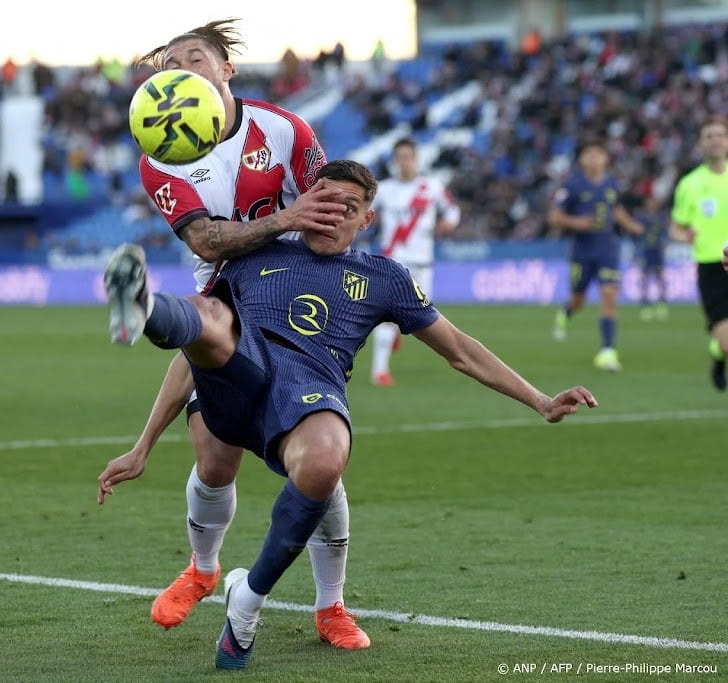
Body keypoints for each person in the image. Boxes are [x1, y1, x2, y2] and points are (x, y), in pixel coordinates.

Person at [101, 159, 598, 670]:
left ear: (366, 221)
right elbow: (197, 346)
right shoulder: (256, 254)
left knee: (325, 464)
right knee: (204, 316)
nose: (332, 214)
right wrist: (145, 445)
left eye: (349, 208)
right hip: (240, 368)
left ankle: (248, 601)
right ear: (305, 201)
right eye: (324, 201)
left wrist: (539, 399)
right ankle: (143, 307)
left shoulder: (384, 278)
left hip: (306, 392)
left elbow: (460, 350)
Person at [95, 19, 371, 650]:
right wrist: (286, 216)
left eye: (196, 56)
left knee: (318, 462)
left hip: (294, 308)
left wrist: (334, 250)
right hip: (222, 294)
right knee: (216, 462)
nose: (182, 67)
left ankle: (331, 606)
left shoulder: (285, 130)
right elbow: (207, 240)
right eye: (171, 62)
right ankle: (202, 569)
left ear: (226, 71)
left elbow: (330, 213)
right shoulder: (158, 157)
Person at [368, 137, 460, 386]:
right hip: (393, 261)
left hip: (423, 262)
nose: (405, 162)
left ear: (416, 159)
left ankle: (398, 331)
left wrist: (448, 223)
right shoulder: (384, 189)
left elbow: (452, 210)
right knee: (386, 317)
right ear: (394, 161)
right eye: (400, 158)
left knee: (425, 317)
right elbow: (364, 212)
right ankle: (380, 371)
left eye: (409, 157)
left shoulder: (431, 187)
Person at [549, 138, 644, 371]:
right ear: (582, 160)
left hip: (608, 249)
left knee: (609, 295)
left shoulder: (612, 184)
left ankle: (607, 351)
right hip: (582, 252)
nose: (594, 159)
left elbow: (616, 210)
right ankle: (566, 311)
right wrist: (576, 222)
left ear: (605, 159)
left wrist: (630, 224)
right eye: (589, 154)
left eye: (598, 154)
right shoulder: (572, 186)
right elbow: (555, 217)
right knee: (579, 300)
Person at [669, 117, 728, 392]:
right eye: (709, 136)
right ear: (701, 144)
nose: (715, 139)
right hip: (711, 267)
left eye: (720, 135)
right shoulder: (689, 185)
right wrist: (685, 236)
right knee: (727, 341)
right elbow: (676, 228)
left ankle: (718, 351)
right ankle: (719, 355)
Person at [633, 192, 669, 321]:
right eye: (649, 201)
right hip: (645, 251)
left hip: (657, 251)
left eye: (654, 201)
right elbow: (635, 233)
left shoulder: (661, 217)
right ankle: (645, 305)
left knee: (660, 277)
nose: (652, 204)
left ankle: (662, 303)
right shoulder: (641, 217)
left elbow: (665, 233)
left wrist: (665, 243)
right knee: (645, 278)